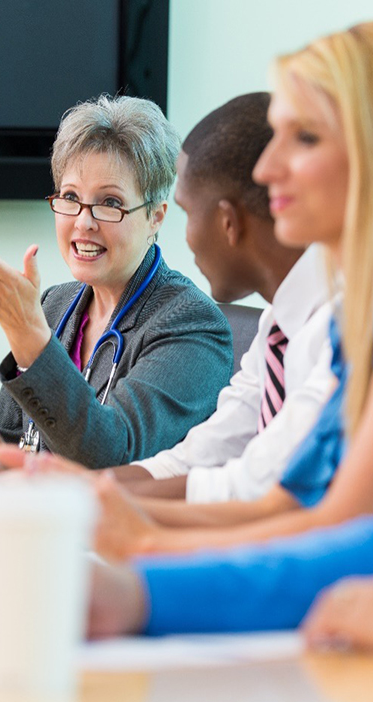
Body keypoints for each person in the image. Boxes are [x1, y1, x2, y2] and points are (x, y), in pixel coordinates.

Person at [83, 21, 373, 679]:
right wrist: (141, 543)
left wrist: (147, 567)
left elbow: (361, 534)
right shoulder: (368, 320)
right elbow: (307, 508)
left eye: (304, 137)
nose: (264, 168)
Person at [0, 95, 233, 508]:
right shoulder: (56, 305)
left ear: (155, 215)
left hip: (130, 552)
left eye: (110, 202)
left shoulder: (189, 324)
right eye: (70, 196)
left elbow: (111, 458)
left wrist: (28, 334)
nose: (83, 222)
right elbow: (16, 445)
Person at [102, 92, 335, 504]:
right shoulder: (277, 327)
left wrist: (76, 501)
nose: (185, 236)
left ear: (228, 222)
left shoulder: (340, 323)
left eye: (187, 212)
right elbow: (198, 459)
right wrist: (56, 489)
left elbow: (259, 485)